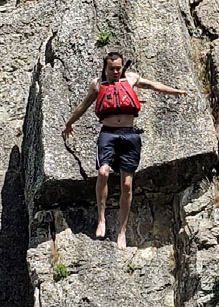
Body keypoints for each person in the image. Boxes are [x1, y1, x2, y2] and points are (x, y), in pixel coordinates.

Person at [60, 51, 189, 249]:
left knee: (127, 184)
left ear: (122, 67)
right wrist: (69, 123)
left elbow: (154, 85)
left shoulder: (131, 78)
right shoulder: (97, 84)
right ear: (105, 68)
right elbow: (84, 106)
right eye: (111, 68)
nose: (115, 71)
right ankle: (101, 218)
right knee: (103, 171)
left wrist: (175, 91)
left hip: (129, 135)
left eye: (118, 68)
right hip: (108, 134)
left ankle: (122, 230)